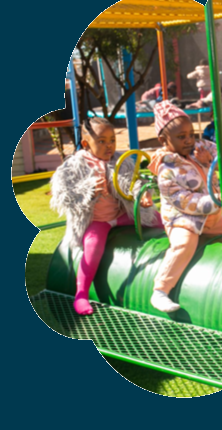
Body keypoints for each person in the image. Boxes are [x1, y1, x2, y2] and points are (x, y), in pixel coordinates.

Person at [50, 117, 162, 316]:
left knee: (161, 219)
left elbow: (133, 181)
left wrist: (143, 193)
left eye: (112, 140)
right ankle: (81, 294)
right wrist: (89, 191)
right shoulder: (75, 166)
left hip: (122, 214)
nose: (109, 145)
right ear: (86, 144)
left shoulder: (121, 160)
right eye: (101, 141)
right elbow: (64, 194)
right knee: (92, 247)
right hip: (98, 220)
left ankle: (197, 239)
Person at [147, 101, 222, 312]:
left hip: (211, 217)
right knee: (184, 244)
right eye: (181, 137)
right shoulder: (166, 170)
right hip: (183, 219)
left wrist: (209, 160)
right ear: (164, 141)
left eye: (191, 134)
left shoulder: (199, 150)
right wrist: (215, 201)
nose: (189, 140)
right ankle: (161, 290)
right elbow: (184, 201)